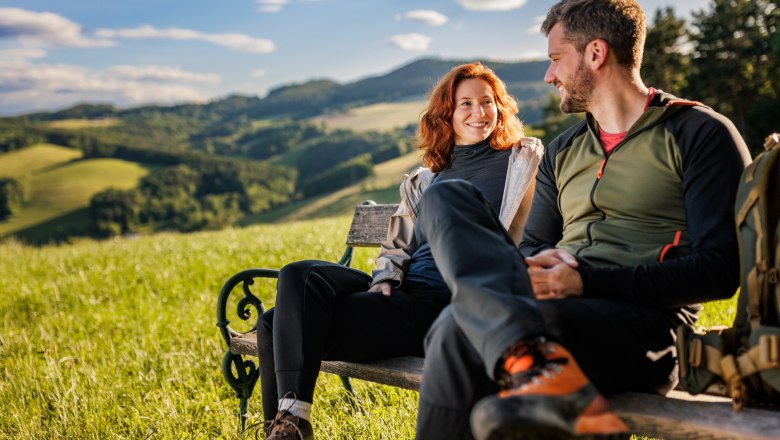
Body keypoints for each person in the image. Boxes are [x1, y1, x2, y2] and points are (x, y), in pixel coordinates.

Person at [412, 1, 753, 439]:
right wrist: (539, 267)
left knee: (456, 327)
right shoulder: (562, 150)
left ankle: (546, 374)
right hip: (549, 313)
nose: (548, 76)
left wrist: (585, 282)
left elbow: (721, 271)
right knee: (448, 196)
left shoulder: (697, 132)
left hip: (647, 329)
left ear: (595, 54)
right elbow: (532, 246)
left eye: (555, 60)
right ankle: (545, 371)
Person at [256, 62, 544, 439]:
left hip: (444, 303)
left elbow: (537, 232)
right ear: (447, 115)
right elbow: (397, 246)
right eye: (466, 104)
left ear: (500, 107)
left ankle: (285, 426)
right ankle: (289, 422)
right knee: (296, 279)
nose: (480, 112)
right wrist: (384, 280)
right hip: (402, 295)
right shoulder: (427, 177)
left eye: (487, 102)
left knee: (277, 325)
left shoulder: (523, 161)